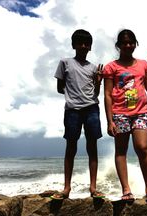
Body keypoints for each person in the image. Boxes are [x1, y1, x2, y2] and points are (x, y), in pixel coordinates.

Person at [103, 29, 147, 203]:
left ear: (135, 44)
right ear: (118, 45)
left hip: (141, 112)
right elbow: (107, 94)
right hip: (120, 113)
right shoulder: (111, 67)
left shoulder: (143, 64)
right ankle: (126, 189)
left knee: (142, 148)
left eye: (131, 42)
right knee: (121, 151)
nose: (128, 45)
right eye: (124, 43)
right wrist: (109, 120)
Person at [52, 29, 105, 200]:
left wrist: (98, 82)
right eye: (80, 43)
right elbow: (60, 88)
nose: (83, 46)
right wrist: (74, 96)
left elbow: (96, 93)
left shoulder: (94, 68)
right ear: (73, 45)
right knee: (71, 147)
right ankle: (66, 188)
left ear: (90, 46)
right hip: (72, 109)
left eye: (86, 43)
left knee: (92, 148)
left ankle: (93, 188)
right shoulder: (65, 63)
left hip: (91, 108)